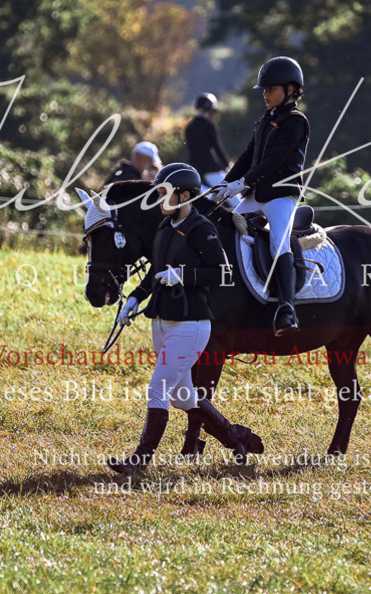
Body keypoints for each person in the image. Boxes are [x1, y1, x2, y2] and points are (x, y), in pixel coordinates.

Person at [108, 163, 263, 474]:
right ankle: (236, 437)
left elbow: (222, 272)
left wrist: (182, 275)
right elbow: (154, 273)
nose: (158, 200)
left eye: (163, 194)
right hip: (162, 321)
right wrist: (135, 298)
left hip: (191, 324)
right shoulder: (163, 229)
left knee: (157, 389)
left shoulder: (202, 228)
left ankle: (139, 461)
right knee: (183, 397)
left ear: (185, 195)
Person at [213, 56, 310, 336]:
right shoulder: (266, 119)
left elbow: (276, 161)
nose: (265, 95)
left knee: (279, 243)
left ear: (290, 90)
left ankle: (287, 309)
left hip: (282, 195)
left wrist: (242, 183)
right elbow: (247, 156)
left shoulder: (295, 122)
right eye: (264, 90)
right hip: (257, 193)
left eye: (271, 89)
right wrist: (225, 183)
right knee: (227, 230)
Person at [185, 92, 230, 197]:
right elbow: (217, 147)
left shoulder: (190, 127)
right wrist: (226, 164)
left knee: (204, 198)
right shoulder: (209, 125)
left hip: (195, 168)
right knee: (233, 198)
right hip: (211, 167)